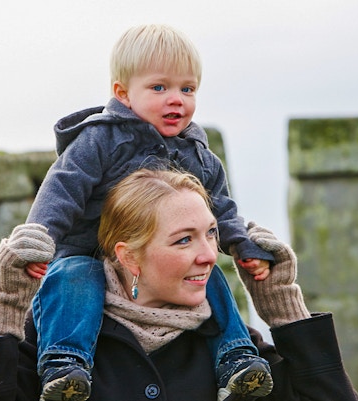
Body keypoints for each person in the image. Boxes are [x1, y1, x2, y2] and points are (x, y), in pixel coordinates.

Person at [14, 24, 275, 401]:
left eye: (187, 89)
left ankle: (236, 357)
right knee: (72, 277)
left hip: (153, 258)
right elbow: (62, 191)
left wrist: (243, 246)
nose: (176, 100)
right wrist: (39, 242)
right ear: (122, 93)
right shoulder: (100, 139)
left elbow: (222, 207)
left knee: (211, 275)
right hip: (86, 249)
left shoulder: (198, 155)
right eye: (159, 88)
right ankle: (65, 365)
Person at [0, 168, 358, 401]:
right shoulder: (54, 342)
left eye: (211, 233)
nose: (208, 255)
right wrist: (4, 316)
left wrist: (286, 313)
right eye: (184, 239)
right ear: (128, 256)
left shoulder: (233, 350)